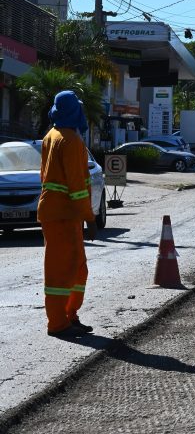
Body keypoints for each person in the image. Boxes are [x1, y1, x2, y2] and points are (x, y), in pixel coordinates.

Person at [38, 91, 97, 338]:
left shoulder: (50, 136)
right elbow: (77, 186)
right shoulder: (71, 140)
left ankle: (68, 316)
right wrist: (90, 219)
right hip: (64, 214)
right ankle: (58, 323)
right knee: (63, 270)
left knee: (74, 268)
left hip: (57, 212)